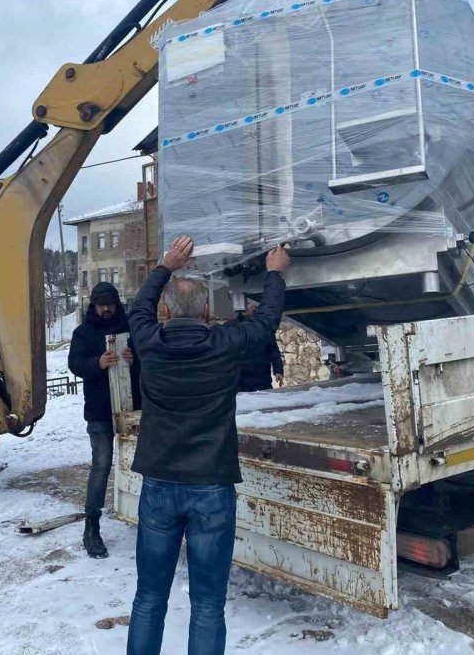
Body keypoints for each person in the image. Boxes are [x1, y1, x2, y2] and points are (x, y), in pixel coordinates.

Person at [126, 237, 289, 655]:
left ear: (165, 312)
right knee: (208, 605)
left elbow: (137, 310)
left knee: (148, 599)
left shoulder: (149, 343)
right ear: (206, 312)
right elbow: (266, 321)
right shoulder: (224, 344)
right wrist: (274, 274)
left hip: (160, 485)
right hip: (211, 488)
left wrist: (165, 266)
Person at [68, 280, 141, 559]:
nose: (106, 309)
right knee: (100, 465)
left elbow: (147, 362)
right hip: (99, 410)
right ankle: (91, 526)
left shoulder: (131, 328)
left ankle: (144, 517)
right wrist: (96, 363)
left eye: (110, 304)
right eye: (102, 305)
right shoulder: (83, 333)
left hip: (132, 408)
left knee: (141, 464)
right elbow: (74, 364)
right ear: (94, 306)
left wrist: (135, 361)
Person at [224, 301, 284, 392]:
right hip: (239, 385)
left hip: (262, 382)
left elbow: (274, 351)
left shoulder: (263, 326)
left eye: (248, 303)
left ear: (254, 306)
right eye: (243, 303)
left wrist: (278, 371)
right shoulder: (230, 327)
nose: (245, 306)